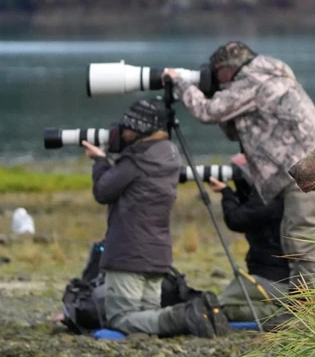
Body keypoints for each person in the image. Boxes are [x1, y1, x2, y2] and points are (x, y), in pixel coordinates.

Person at [163, 41, 315, 296]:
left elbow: (208, 112)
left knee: (302, 241)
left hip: (302, 169)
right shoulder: (271, 75)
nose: (215, 79)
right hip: (305, 166)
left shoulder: (252, 81)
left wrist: (180, 82)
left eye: (216, 73)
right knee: (295, 238)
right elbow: (237, 129)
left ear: (228, 69)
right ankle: (305, 310)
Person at [82, 98, 228, 339]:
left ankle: (186, 315)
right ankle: (190, 314)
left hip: (127, 254)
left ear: (140, 129)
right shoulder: (169, 155)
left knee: (121, 319)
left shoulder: (135, 160)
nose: (123, 131)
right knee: (148, 318)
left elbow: (103, 191)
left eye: (127, 127)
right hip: (158, 254)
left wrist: (100, 161)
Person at [205, 153, 315, 327]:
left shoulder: (268, 195)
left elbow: (237, 219)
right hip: (309, 275)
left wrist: (227, 193)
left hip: (275, 277)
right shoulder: (313, 193)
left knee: (220, 308)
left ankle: (283, 314)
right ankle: (302, 308)